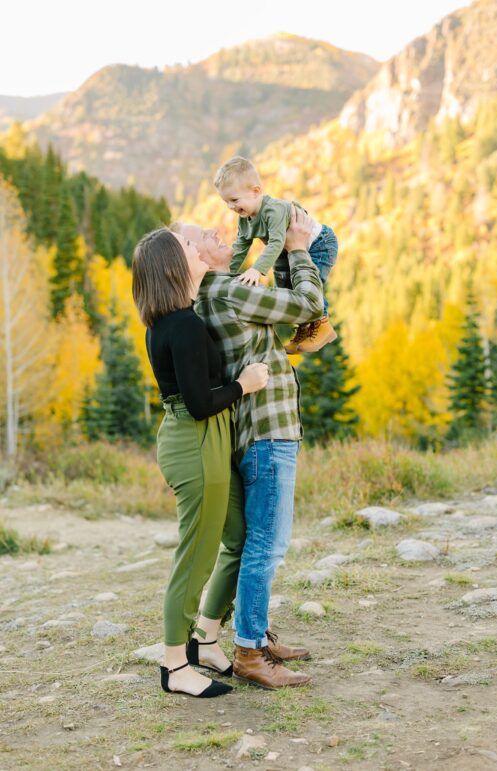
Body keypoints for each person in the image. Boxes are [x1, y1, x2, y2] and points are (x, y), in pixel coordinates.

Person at [174, 207, 325, 689]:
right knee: (267, 545)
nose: (217, 234)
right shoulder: (224, 290)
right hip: (268, 429)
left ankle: (254, 638)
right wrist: (299, 249)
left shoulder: (217, 293)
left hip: (258, 429)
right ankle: (249, 652)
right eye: (203, 237)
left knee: (260, 543)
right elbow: (306, 305)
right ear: (192, 257)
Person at [131, 228, 269, 697]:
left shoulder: (178, 317)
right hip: (195, 441)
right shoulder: (181, 325)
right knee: (195, 556)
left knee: (240, 538)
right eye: (188, 247)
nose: (196, 247)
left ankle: (206, 638)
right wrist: (246, 384)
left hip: (205, 439)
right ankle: (174, 667)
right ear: (174, 265)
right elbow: (199, 403)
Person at [213, 155, 338, 353]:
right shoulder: (245, 219)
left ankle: (322, 326)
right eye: (226, 202)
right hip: (289, 251)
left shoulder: (273, 211)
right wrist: (227, 273)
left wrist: (257, 270)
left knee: (311, 284)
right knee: (287, 288)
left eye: (234, 200)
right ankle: (304, 329)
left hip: (318, 244)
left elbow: (278, 242)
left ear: (256, 191)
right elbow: (240, 247)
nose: (231, 207)